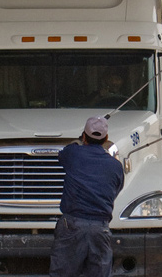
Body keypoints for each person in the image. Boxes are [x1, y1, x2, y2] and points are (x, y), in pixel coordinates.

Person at [49, 116, 124, 277]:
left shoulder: (73, 154)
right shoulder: (116, 166)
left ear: (84, 136)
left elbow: (62, 155)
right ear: (106, 139)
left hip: (72, 226)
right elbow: (116, 190)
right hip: (100, 228)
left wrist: (77, 141)